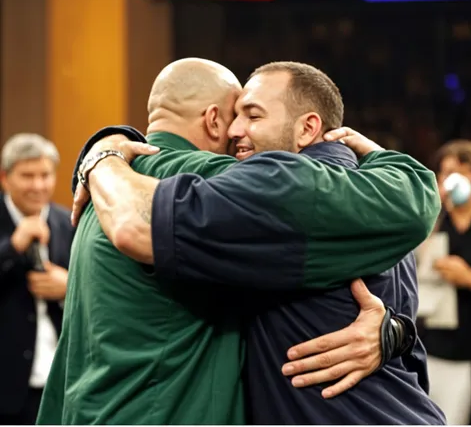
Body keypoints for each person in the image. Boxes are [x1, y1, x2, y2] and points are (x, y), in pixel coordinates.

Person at [41, 60, 440, 424]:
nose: (235, 132)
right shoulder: (363, 199)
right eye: (235, 115)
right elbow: (414, 359)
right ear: (213, 119)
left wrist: (103, 155)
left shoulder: (118, 193)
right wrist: (397, 332)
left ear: (307, 127)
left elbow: (134, 225)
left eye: (251, 115)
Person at [0, 134, 74, 425]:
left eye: (45, 175)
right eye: (27, 176)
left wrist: (70, 287)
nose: (38, 185)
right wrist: (13, 247)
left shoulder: (69, 222)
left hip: (59, 380)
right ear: (5, 178)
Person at [418, 140, 471, 425]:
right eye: (445, 172)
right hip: (428, 346)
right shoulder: (434, 221)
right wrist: (433, 209)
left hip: (466, 355)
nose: (451, 180)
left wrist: (468, 279)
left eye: (460, 171)